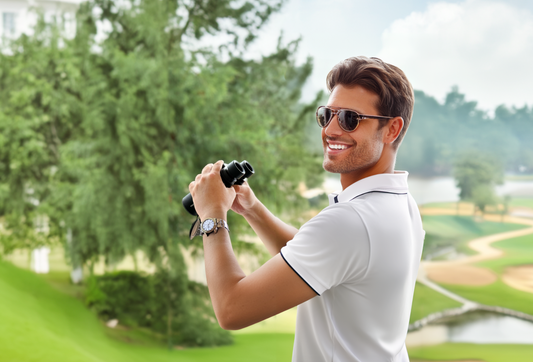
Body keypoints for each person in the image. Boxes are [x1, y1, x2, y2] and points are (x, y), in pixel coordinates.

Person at [188, 56, 425, 362]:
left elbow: (232, 309)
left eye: (350, 118)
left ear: (392, 129)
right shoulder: (401, 203)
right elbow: (318, 259)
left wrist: (212, 216)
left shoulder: (349, 223)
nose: (332, 130)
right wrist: (252, 209)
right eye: (327, 115)